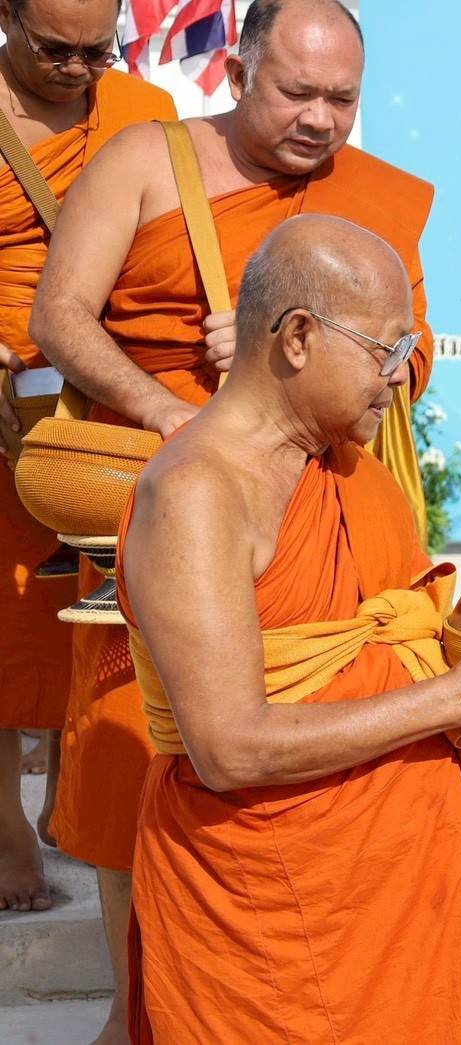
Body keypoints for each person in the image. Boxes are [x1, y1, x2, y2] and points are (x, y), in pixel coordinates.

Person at [28, 1, 432, 1038]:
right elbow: (60, 315)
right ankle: (143, 1008)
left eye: (341, 99)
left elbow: (409, 349)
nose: (320, 120)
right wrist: (177, 410)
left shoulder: (372, 199)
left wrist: (304, 358)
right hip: (174, 503)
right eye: (296, 91)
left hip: (325, 501)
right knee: (145, 760)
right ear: (239, 68)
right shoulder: (146, 161)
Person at [117, 214, 461, 1042]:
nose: (399, 377)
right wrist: (459, 695)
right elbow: (230, 747)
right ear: (298, 337)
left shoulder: (351, 470)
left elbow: (409, 664)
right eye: (385, 350)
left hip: (401, 887)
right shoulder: (198, 492)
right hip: (275, 908)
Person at [0, 0, 174, 915]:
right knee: (5, 618)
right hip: (6, 397)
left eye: (96, 49)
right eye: (54, 48)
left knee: (105, 611)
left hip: (115, 388)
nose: (78, 68)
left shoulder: (143, 108)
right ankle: (4, 824)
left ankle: (79, 796)